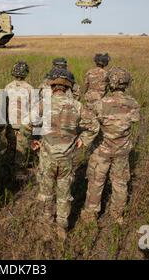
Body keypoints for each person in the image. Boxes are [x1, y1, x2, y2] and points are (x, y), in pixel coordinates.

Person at [29, 68, 99, 239]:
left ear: (51, 85)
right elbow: (94, 126)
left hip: (47, 158)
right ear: (69, 87)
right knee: (64, 194)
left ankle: (46, 225)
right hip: (67, 158)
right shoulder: (77, 106)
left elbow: (28, 124)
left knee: (46, 193)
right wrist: (82, 140)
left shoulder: (43, 104)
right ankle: (62, 228)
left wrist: (35, 140)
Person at [80, 67, 140, 225]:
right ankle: (117, 215)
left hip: (101, 151)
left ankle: (90, 216)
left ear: (110, 83)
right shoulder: (133, 103)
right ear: (126, 83)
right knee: (120, 183)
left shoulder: (100, 104)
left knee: (95, 182)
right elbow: (134, 119)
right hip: (122, 151)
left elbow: (90, 124)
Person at [3, 61, 34, 174]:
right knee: (22, 150)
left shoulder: (7, 87)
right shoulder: (30, 88)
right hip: (24, 126)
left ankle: (8, 173)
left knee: (10, 149)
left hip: (11, 124)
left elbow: (3, 107)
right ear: (25, 73)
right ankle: (19, 174)